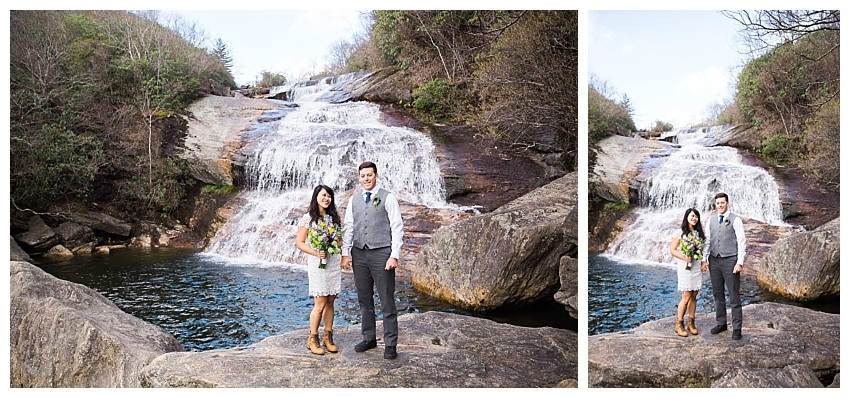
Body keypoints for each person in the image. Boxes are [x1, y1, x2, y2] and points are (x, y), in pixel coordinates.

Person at [341, 161, 404, 360]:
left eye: (369, 175)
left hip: (381, 253)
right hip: (359, 254)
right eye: (363, 176)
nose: (366, 179)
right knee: (364, 300)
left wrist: (394, 255)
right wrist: (345, 252)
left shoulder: (388, 197)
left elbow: (397, 226)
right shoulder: (354, 199)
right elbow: (349, 227)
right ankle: (369, 338)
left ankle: (391, 343)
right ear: (359, 178)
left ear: (376, 175)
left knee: (386, 300)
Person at [295, 185, 343, 355]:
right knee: (320, 303)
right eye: (323, 195)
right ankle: (312, 338)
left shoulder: (334, 218)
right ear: (316, 196)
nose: (326, 198)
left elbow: (339, 241)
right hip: (317, 263)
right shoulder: (308, 218)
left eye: (329, 196)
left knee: (331, 301)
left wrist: (334, 245)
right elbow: (299, 243)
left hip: (332, 262)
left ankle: (328, 337)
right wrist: (316, 251)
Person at [701, 192, 747, 341]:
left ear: (727, 203)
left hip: (730, 261)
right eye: (718, 203)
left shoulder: (736, 220)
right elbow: (708, 240)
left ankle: (737, 328)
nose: (720, 205)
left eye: (722, 202)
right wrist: (704, 259)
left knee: (734, 295)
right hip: (714, 260)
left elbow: (741, 241)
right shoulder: (711, 220)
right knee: (717, 294)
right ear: (715, 204)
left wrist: (739, 262)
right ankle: (721, 323)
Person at [668, 208, 706, 337]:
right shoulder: (680, 233)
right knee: (686, 297)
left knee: (694, 295)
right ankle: (679, 324)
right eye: (692, 216)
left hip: (695, 267)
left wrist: (702, 261)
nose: (694, 218)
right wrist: (684, 257)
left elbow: (702, 249)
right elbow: (672, 250)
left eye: (696, 216)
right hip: (685, 267)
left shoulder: (698, 233)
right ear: (687, 217)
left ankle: (691, 322)